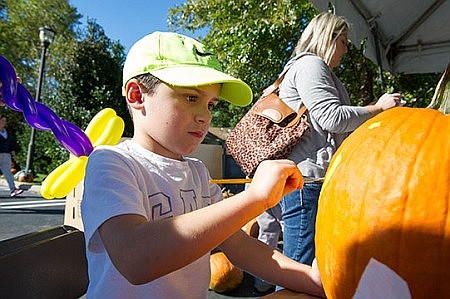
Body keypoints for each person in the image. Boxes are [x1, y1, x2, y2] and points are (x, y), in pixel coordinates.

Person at [81, 31, 325, 298]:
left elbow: (240, 246)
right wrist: (255, 198)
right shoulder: (111, 163)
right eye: (191, 98)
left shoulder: (197, 172)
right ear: (137, 95)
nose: (204, 116)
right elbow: (135, 258)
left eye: (211, 104)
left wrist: (310, 278)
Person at [277, 12, 402, 267]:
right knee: (299, 267)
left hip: (306, 180)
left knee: (305, 263)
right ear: (328, 38)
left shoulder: (307, 67)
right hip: (307, 180)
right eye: (343, 41)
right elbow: (331, 118)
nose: (346, 49)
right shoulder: (311, 65)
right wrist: (378, 108)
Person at [0, 115, 23, 197]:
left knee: (8, 173)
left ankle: (13, 190)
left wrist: (14, 156)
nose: (3, 123)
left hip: (6, 155)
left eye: (4, 121)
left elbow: (11, 145)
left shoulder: (7, 132)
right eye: (2, 121)